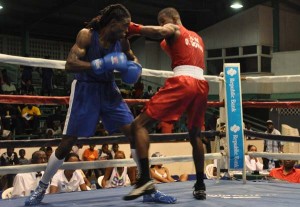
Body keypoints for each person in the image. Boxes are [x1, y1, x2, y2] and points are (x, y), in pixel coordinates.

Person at [25, 4, 174, 206]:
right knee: (68, 143)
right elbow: (70, 63)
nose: (126, 31)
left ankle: (147, 187)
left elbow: (132, 58)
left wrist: (135, 67)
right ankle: (41, 188)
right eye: (123, 27)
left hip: (109, 89)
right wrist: (99, 64)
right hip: (86, 89)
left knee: (135, 132)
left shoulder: (122, 40)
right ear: (112, 23)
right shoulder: (87, 35)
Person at [124, 7, 208, 201]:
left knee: (139, 125)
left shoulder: (173, 28)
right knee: (195, 135)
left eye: (164, 21)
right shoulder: (198, 37)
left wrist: (132, 28)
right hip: (201, 85)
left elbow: (162, 32)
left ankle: (145, 178)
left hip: (183, 82)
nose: (164, 26)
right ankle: (201, 184)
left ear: (172, 19)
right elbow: (168, 43)